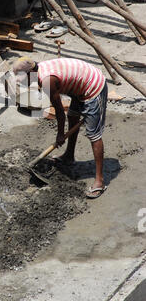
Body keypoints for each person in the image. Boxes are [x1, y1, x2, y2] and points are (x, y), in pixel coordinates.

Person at [13, 57, 108, 199]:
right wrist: (61, 134)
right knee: (73, 116)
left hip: (93, 86)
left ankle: (99, 181)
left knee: (93, 134)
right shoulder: (39, 73)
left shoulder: (47, 82)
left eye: (21, 77)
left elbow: (59, 112)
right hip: (78, 87)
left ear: (32, 71)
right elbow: (62, 114)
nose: (19, 81)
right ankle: (69, 156)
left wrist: (60, 136)